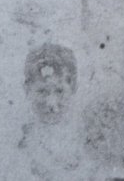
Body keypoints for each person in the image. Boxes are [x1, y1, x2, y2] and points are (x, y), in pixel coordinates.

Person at [16, 43, 97, 180]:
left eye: (60, 91)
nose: (51, 103)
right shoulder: (19, 141)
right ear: (27, 89)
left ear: (73, 88)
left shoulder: (88, 139)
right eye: (42, 91)